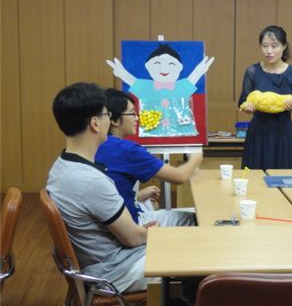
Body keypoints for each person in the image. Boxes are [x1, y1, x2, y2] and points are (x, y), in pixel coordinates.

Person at [46, 82, 156, 293]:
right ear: (95, 123)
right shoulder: (90, 181)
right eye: (107, 114)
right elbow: (133, 238)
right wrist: (155, 234)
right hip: (114, 271)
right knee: (190, 254)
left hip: (100, 263)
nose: (109, 120)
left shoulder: (61, 166)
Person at [95, 88, 203, 226]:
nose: (137, 118)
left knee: (152, 204)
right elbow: (180, 177)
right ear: (115, 120)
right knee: (196, 219)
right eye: (132, 113)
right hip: (129, 224)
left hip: (107, 221)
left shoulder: (96, 144)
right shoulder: (127, 149)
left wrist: (137, 196)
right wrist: (196, 157)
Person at [106, 43, 214, 138]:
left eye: (171, 64)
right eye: (157, 63)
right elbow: (130, 80)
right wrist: (122, 73)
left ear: (180, 67)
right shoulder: (145, 86)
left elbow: (193, 78)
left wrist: (199, 70)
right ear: (147, 66)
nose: (164, 68)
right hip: (151, 132)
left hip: (182, 132)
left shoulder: (182, 86)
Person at [238, 25, 292, 170]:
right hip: (258, 133)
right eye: (265, 46)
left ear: (284, 46)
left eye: (274, 46)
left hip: (284, 133)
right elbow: (243, 101)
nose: (269, 51)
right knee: (255, 177)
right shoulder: (252, 71)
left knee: (284, 176)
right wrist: (247, 107)